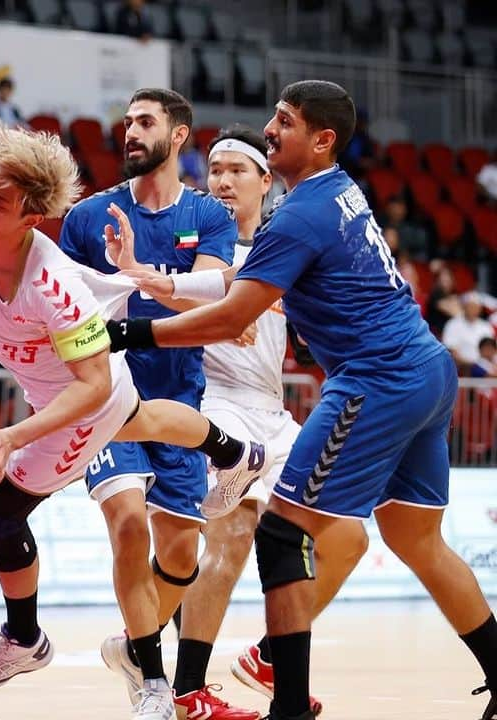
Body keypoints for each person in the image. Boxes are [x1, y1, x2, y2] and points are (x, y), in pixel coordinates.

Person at [0, 79, 269, 720]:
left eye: (0, 196)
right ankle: (229, 456)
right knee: (129, 489)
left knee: (71, 519)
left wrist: (18, 433)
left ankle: (41, 640)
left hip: (105, 388)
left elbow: (105, 371)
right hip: (95, 376)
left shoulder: (79, 273)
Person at [110, 80, 497, 720]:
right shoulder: (338, 192)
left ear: (321, 141)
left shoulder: (296, 218)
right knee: (415, 537)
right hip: (427, 369)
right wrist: (146, 278)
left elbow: (229, 310)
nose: (269, 127)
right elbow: (232, 284)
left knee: (283, 533)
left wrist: (127, 329)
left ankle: (286, 704)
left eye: (283, 123)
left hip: (376, 379)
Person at [130, 126, 341, 719]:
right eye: (214, 170)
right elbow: (152, 292)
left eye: (236, 171)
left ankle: (269, 655)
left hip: (272, 410)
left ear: (265, 181)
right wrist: (217, 312)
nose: (221, 180)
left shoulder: (286, 245)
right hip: (214, 403)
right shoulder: (198, 242)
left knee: (345, 537)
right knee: (229, 539)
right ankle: (186, 686)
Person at [59, 88, 235, 713]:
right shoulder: (86, 218)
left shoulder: (210, 216)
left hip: (181, 404)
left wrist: (137, 274)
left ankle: (133, 647)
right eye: (126, 122)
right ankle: (155, 683)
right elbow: (55, 301)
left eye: (144, 122)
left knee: (183, 552)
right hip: (108, 400)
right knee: (129, 525)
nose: (130, 132)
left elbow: (212, 310)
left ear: (179, 135)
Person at [443, 292, 495, 371]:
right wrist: (473, 365)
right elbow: (452, 351)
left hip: (485, 368)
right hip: (462, 367)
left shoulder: (486, 326)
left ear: (480, 309)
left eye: (475, 307)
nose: (473, 309)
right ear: (464, 307)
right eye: (470, 306)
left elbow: (492, 350)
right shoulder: (453, 324)